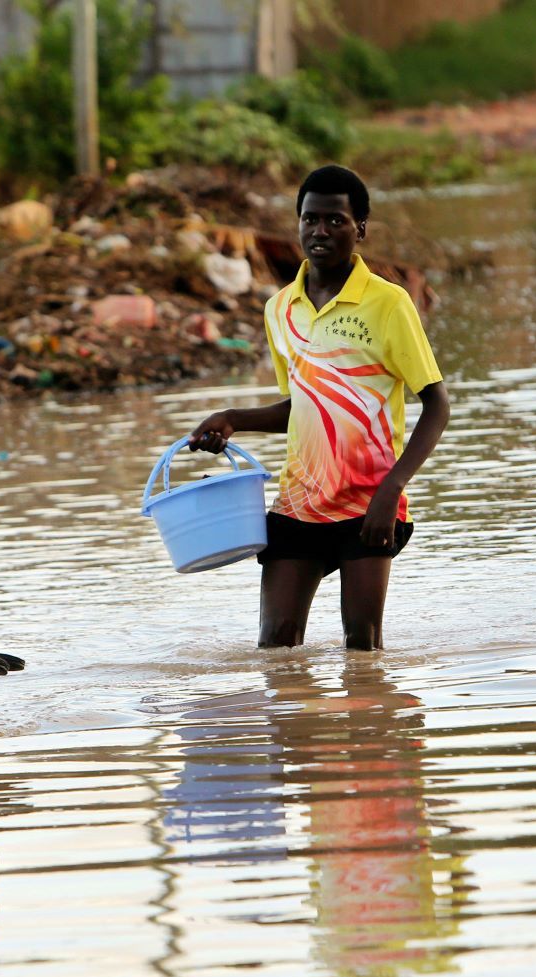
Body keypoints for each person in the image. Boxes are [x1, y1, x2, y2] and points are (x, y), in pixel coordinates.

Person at [188, 166, 450, 651]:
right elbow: (304, 404)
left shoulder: (389, 304)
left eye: (335, 221)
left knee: (363, 648)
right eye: (310, 220)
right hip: (299, 501)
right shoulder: (279, 308)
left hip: (368, 502)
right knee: (276, 647)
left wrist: (393, 488)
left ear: (361, 230)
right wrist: (235, 419)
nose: (320, 231)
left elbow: (436, 404)